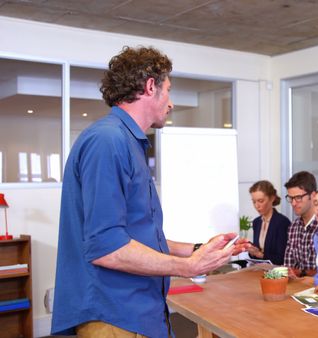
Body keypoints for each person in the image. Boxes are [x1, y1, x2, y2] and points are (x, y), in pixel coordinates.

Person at [51, 46, 247, 338]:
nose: (170, 103)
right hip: (115, 313)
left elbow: (135, 236)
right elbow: (109, 248)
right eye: (167, 91)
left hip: (139, 311)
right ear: (150, 86)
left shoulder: (128, 142)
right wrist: (187, 266)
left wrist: (195, 249)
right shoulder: (109, 141)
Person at [283, 171, 318, 278]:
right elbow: (288, 267)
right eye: (290, 198)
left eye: (298, 198)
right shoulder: (293, 227)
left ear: (313, 196)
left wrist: (301, 272)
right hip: (296, 288)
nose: (293, 203)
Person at [246, 180, 291, 265]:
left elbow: (282, 258)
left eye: (261, 201)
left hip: (277, 274)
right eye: (254, 201)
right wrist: (251, 250)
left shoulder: (282, 222)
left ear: (272, 198)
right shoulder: (256, 222)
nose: (257, 206)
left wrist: (260, 254)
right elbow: (256, 255)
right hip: (259, 270)